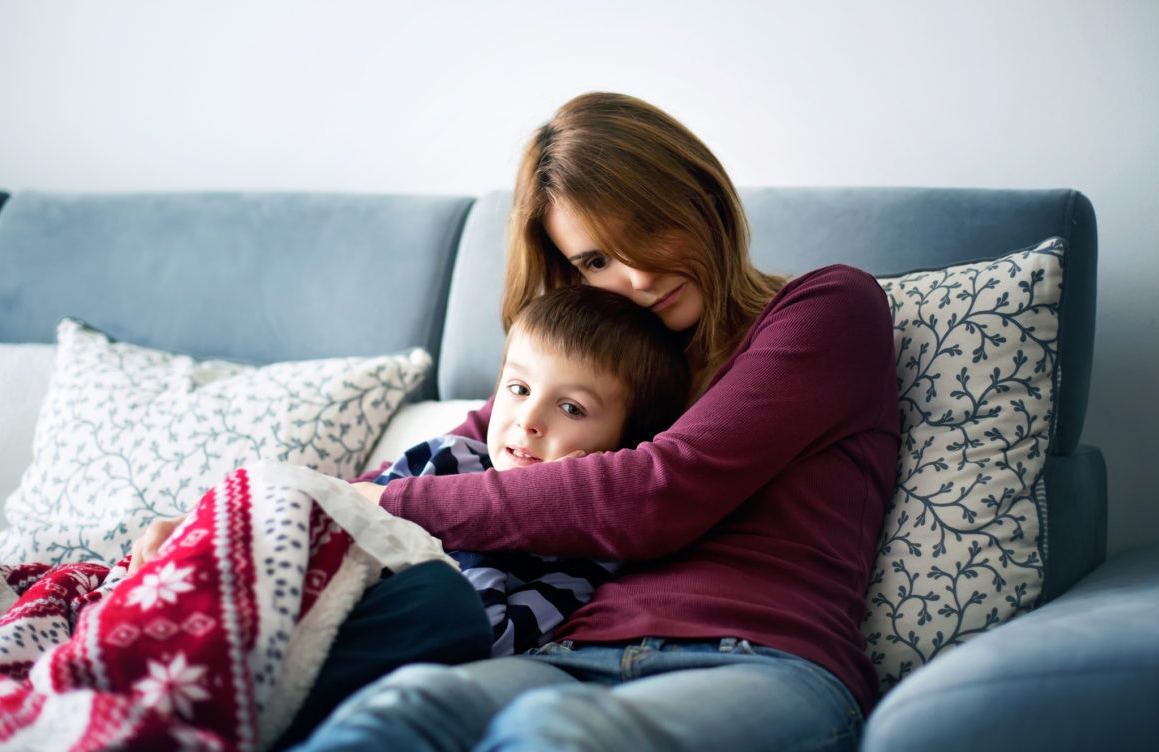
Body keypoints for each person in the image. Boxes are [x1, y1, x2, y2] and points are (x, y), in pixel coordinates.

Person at [281, 91, 902, 752]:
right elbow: (437, 463)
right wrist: (281, 513)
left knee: (552, 732)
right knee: (403, 707)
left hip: (759, 659)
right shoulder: (593, 376)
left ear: (703, 196)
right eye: (596, 261)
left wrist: (388, 502)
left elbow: (657, 495)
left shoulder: (827, 308)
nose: (637, 277)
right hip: (563, 655)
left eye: (648, 228)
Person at [371, 283, 691, 659]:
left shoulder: (583, 558)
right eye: (519, 389)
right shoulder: (444, 456)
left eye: (571, 408)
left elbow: (488, 638)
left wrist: (491, 521)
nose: (528, 420)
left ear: (622, 449)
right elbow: (343, 525)